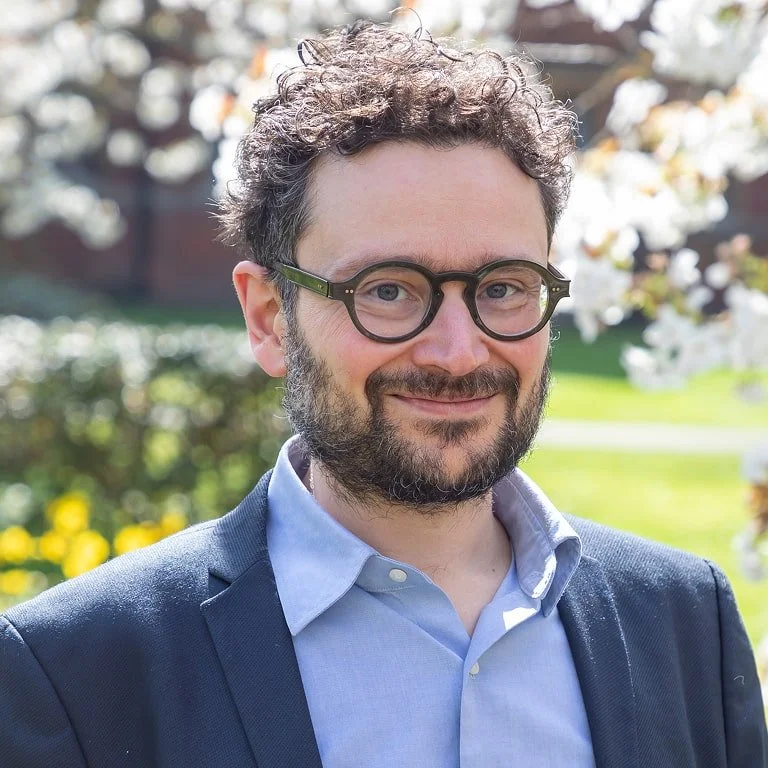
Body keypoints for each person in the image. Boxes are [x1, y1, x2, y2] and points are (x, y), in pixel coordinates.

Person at [1, 19, 766, 768]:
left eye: (503, 287)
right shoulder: (78, 672)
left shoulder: (684, 622)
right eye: (390, 290)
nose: (459, 351)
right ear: (270, 318)